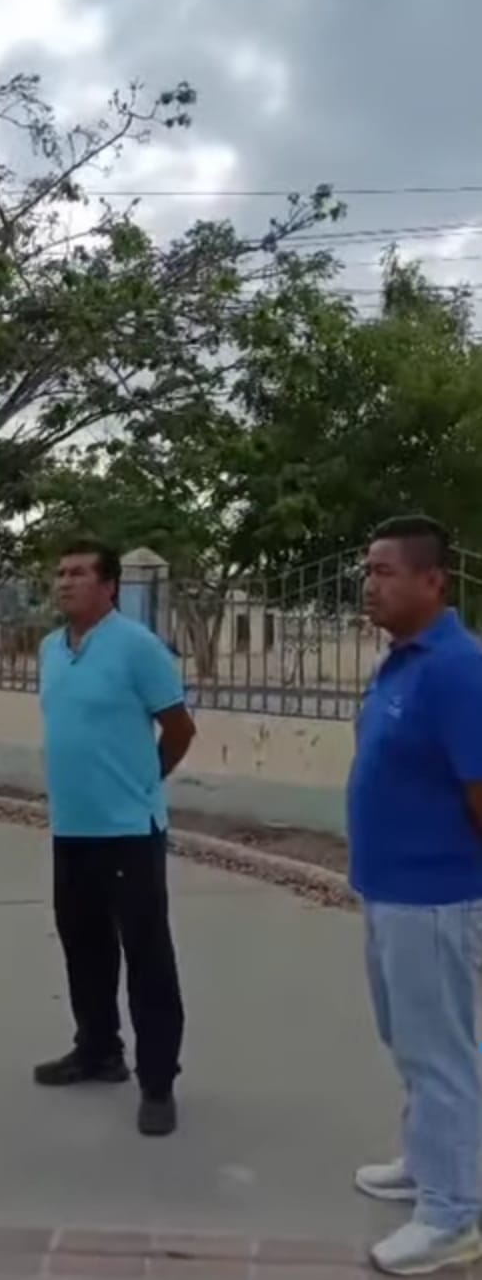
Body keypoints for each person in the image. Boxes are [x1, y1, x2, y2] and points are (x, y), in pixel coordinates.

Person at [349, 517, 482, 1276]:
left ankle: (452, 1214)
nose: (370, 585)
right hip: (388, 889)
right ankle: (427, 1162)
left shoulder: (458, 670)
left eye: (385, 572)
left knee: (442, 1056)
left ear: (434, 581)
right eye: (367, 571)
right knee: (409, 1042)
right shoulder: (400, 661)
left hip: (435, 897)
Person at [34, 539, 195, 1137]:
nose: (64, 582)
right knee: (84, 946)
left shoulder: (138, 646)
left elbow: (179, 728)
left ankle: (158, 1082)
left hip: (129, 830)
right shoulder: (51, 649)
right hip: (71, 827)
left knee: (147, 957)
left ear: (109, 586)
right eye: (60, 572)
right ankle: (98, 1049)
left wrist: (146, 782)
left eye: (78, 573)